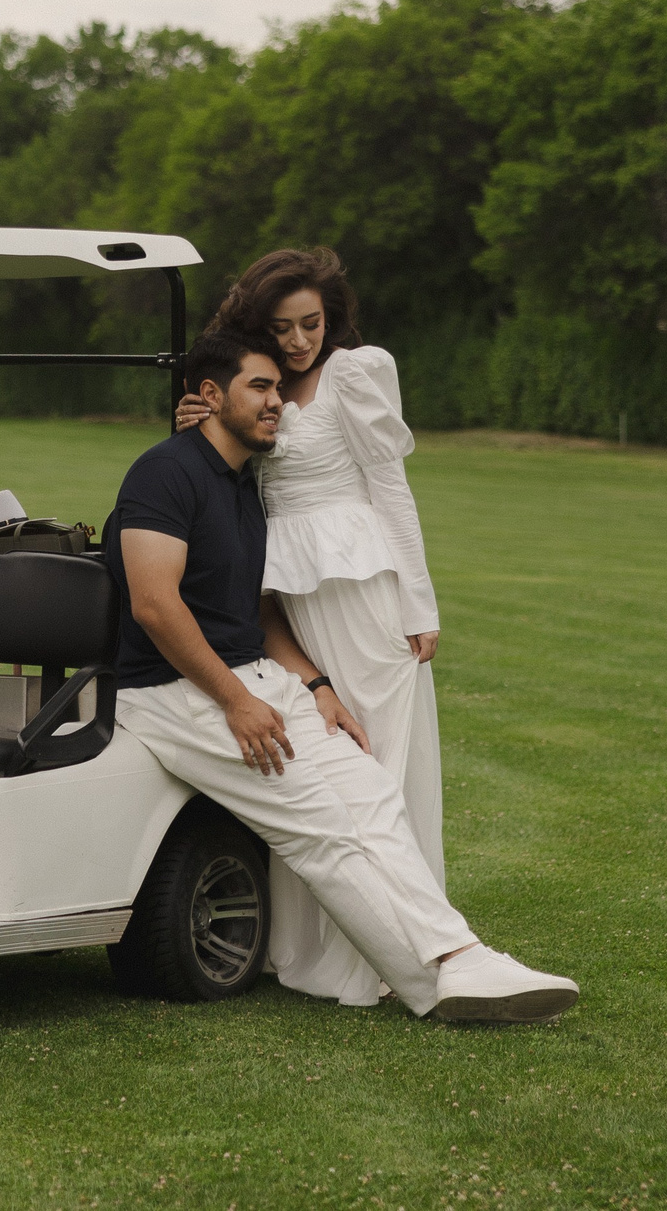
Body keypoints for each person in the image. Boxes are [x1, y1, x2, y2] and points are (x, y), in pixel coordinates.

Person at [109, 324, 576, 1022]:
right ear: (211, 393)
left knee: (373, 795)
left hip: (259, 679)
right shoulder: (163, 473)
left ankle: (463, 957)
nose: (277, 401)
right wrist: (235, 700)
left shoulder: (244, 483)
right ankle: (436, 981)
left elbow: (255, 611)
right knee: (322, 824)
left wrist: (316, 685)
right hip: (175, 694)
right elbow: (154, 603)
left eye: (278, 387)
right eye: (259, 387)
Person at [175, 247, 445, 1006]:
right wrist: (196, 424)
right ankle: (309, 940)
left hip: (361, 589)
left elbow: (390, 485)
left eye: (312, 324)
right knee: (312, 758)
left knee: (378, 755)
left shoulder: (355, 373)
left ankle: (400, 944)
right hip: (285, 595)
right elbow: (220, 474)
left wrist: (419, 603)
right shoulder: (250, 384)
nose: (298, 341)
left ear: (332, 319)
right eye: (283, 327)